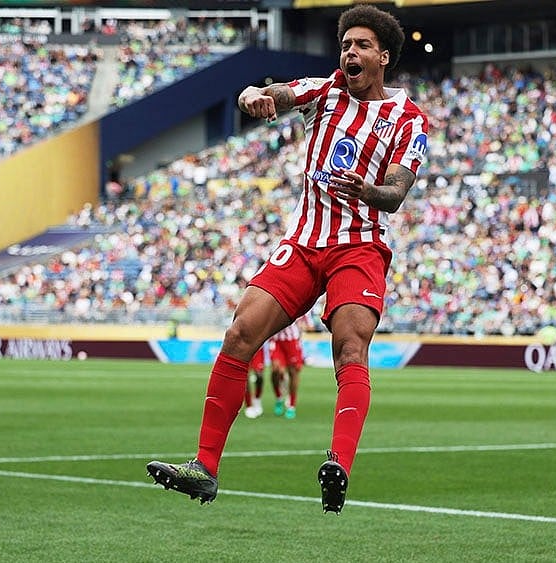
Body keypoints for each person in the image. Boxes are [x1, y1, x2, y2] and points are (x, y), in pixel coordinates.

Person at [146, 4, 428, 514]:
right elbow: (277, 93)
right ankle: (205, 467)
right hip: (304, 242)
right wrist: (252, 94)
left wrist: (370, 190)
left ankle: (338, 463)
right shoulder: (325, 91)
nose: (350, 52)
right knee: (239, 333)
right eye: (346, 45)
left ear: (383, 57)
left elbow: (396, 193)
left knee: (349, 347)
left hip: (359, 247)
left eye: (362, 45)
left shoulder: (408, 119)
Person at [269, 322, 305, 420]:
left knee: (293, 373)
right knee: (276, 370)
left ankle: (291, 405)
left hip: (292, 340)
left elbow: (303, 321)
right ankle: (279, 397)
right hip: (276, 340)